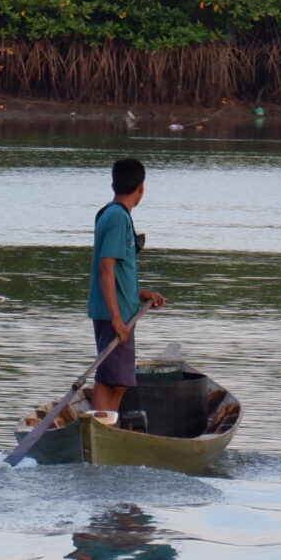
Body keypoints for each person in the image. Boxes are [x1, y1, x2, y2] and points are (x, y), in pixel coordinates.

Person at [88, 158, 168, 415]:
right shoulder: (117, 217)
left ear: (113, 183)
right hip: (115, 315)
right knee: (109, 378)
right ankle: (101, 431)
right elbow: (105, 268)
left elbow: (118, 273)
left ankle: (108, 426)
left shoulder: (113, 215)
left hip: (122, 310)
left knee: (119, 380)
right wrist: (116, 319)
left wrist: (141, 295)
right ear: (141, 189)